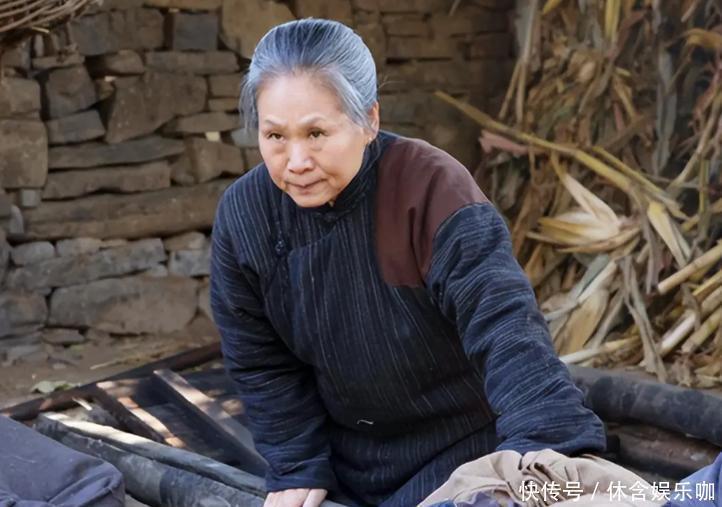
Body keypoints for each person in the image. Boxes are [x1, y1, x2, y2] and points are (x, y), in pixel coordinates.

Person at [210, 18, 606, 507]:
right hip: (347, 458)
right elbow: (259, 359)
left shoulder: (431, 188)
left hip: (461, 450)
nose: (296, 161)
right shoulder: (246, 215)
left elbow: (503, 325)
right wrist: (296, 463)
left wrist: (543, 450)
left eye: (316, 133)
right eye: (275, 136)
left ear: (369, 120)